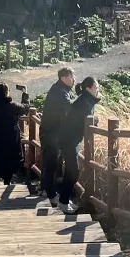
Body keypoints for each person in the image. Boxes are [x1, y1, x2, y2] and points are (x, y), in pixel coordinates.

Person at [57, 75, 100, 210]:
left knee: (71, 170)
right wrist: (94, 121)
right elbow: (84, 119)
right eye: (96, 87)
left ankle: (64, 200)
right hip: (68, 139)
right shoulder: (83, 102)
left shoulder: (86, 100)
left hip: (70, 138)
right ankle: (63, 202)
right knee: (73, 171)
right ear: (88, 88)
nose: (98, 89)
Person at [38, 67, 75, 201]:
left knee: (51, 163)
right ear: (63, 78)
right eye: (71, 77)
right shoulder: (60, 92)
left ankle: (46, 189)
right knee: (51, 163)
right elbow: (70, 107)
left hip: (51, 132)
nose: (74, 79)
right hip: (51, 133)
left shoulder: (59, 89)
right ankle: (51, 194)